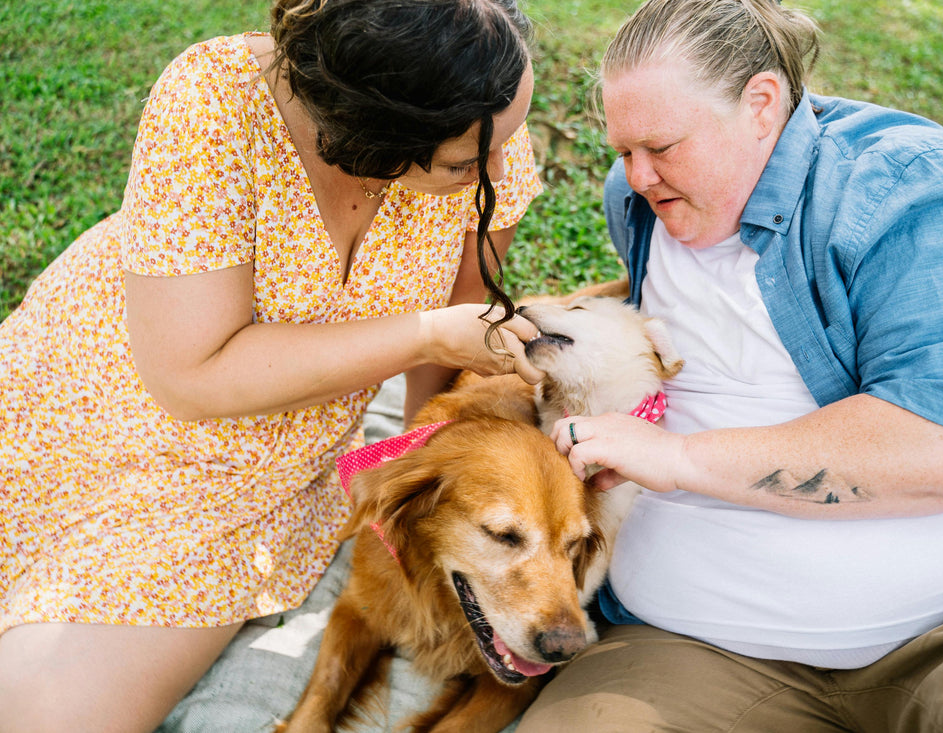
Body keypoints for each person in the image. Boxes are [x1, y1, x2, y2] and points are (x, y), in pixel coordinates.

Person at [518, 0, 943, 731]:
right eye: (622, 151)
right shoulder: (642, 201)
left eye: (660, 146)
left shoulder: (911, 193)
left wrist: (675, 457)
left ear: (762, 104)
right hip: (695, 648)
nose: (636, 175)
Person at [0, 0, 548, 730]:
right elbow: (189, 373)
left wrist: (425, 469)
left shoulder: (483, 138)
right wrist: (426, 334)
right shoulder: (215, 101)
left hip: (240, 482)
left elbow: (452, 359)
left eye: (510, 138)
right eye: (464, 162)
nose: (501, 169)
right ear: (372, 133)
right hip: (86, 386)